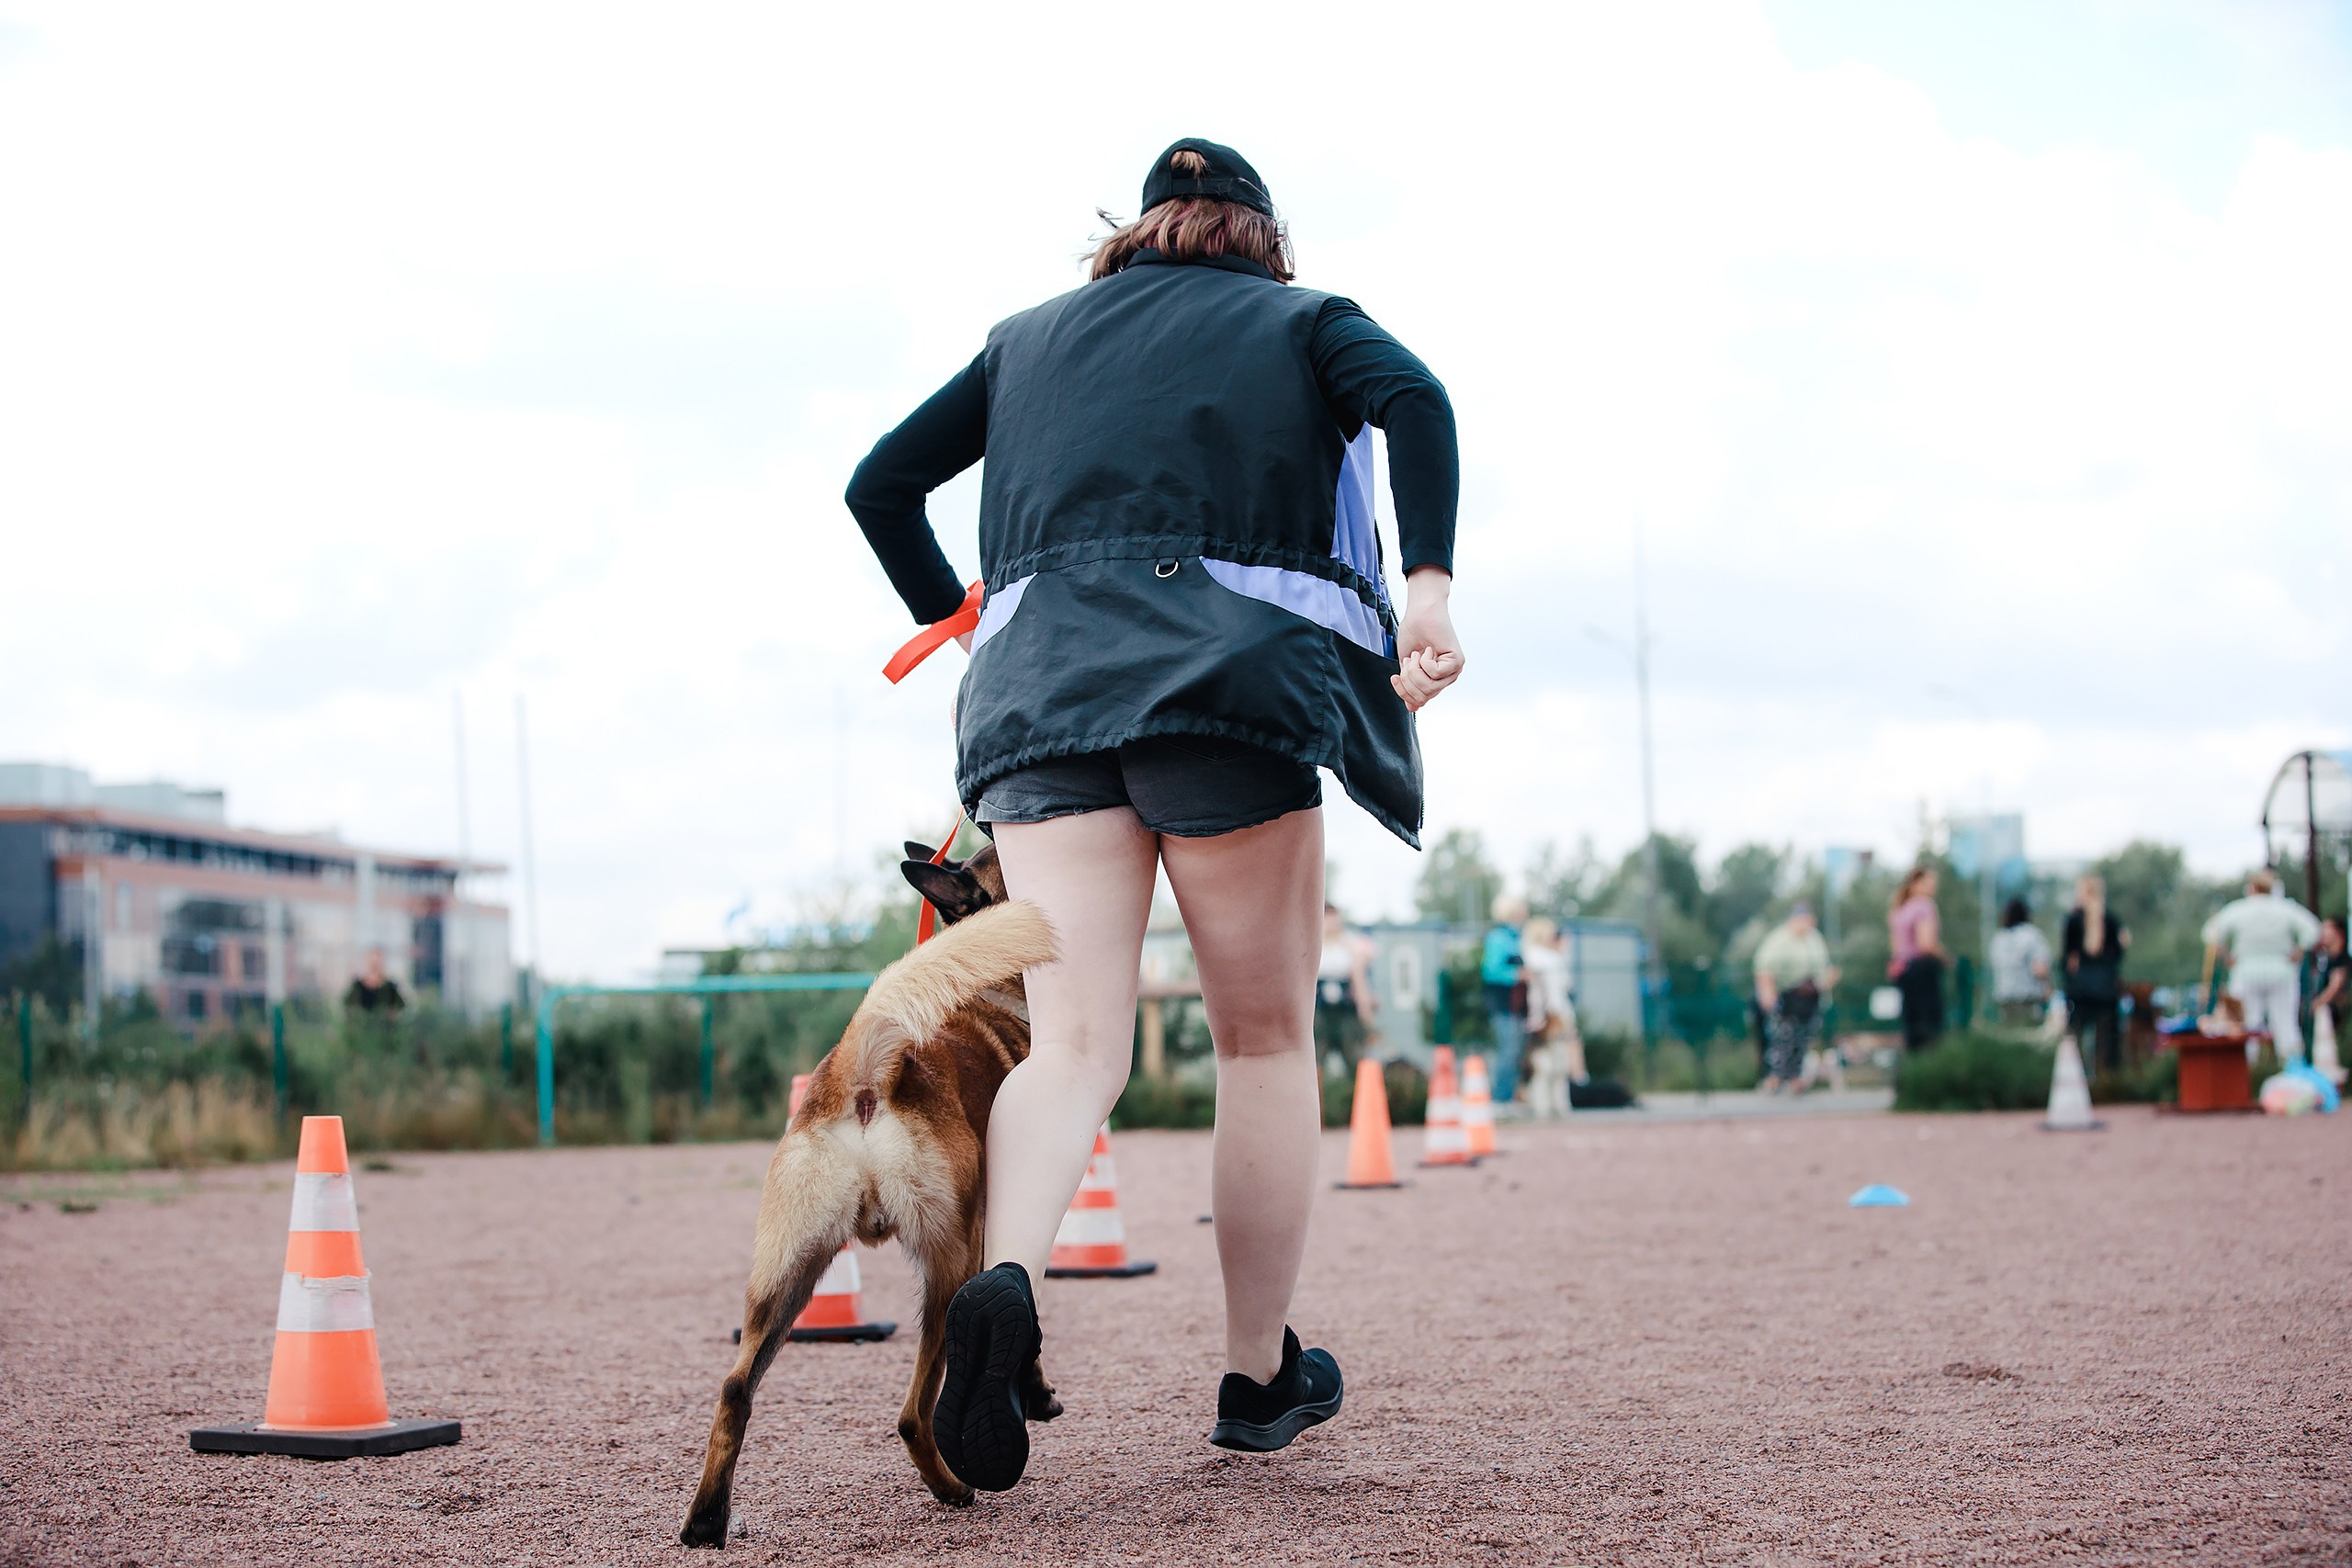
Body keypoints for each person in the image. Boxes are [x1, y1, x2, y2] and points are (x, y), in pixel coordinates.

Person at [842, 138, 1463, 1488]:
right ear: (1261, 237)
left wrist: (965, 629)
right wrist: (1426, 592)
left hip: (1041, 698)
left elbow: (878, 486)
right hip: (1229, 693)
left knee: (1070, 1044)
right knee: (1259, 1038)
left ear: (1136, 230)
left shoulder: (1024, 342)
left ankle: (1006, 1275)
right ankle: (1256, 1376)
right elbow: (1416, 399)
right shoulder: (1308, 323)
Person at [2201, 869, 2321, 1066]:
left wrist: (2226, 956)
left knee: (2246, 1024)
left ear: (2252, 888)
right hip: (2281, 969)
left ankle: (2248, 1073)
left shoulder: (2240, 909)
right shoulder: (2285, 908)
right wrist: (2299, 950)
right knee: (2285, 1024)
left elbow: (2210, 932)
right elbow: (2313, 929)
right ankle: (2293, 1072)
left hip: (2246, 971)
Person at [1754, 903, 1838, 1094]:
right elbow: (1764, 969)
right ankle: (1774, 1078)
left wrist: (1828, 980)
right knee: (1782, 1038)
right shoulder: (1779, 940)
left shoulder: (1815, 939)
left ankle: (1794, 1077)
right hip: (1787, 996)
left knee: (1803, 1038)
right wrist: (1768, 996)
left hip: (1809, 997)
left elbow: (1822, 969)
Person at [2063, 874, 2130, 1073]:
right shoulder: (2111, 920)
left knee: (2077, 1035)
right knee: (2107, 1038)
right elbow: (2117, 955)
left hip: (2081, 989)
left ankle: (2078, 1074)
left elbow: (2068, 959)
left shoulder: (2073, 920)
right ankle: (2106, 1076)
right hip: (2106, 988)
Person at [1520, 917, 1583, 1118]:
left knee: (1548, 1064)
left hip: (1541, 1017)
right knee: (1553, 1064)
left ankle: (1545, 1106)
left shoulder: (1532, 956)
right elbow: (1566, 985)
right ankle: (1554, 1106)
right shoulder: (1548, 958)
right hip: (1553, 1017)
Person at [1314, 904, 1378, 1075]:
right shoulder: (1311, 943)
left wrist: (1365, 1011)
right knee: (1316, 1058)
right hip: (1318, 1009)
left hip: (1345, 1009)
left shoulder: (1350, 944)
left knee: (1354, 1056)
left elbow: (1360, 980)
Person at [1886, 866, 1945, 1051]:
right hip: (1921, 968)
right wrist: (1946, 958)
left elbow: (1896, 947)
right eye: (1929, 882)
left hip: (1903, 969)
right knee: (1930, 1024)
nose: (1933, 887)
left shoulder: (1900, 909)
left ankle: (1913, 1068)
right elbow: (1926, 945)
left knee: (1911, 1023)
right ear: (1916, 884)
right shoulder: (1924, 907)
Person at [1482, 894, 1529, 1104]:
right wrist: (1517, 974)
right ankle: (1500, 1100)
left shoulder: (1519, 938)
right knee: (1507, 1051)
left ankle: (1511, 1097)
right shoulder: (1498, 938)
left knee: (1517, 1052)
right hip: (1503, 1006)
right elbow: (1491, 971)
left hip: (1520, 1007)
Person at [1987, 897, 2052, 1028]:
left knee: (2010, 1035)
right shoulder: (2032, 935)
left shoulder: (1998, 938)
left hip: (2004, 999)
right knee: (2028, 1035)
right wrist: (2049, 989)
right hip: (2028, 999)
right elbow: (2040, 969)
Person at [343, 948, 404, 1016]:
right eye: (372, 961)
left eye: (377, 961)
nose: (375, 964)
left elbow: (400, 1007)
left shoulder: (389, 987)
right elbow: (348, 1006)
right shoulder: (358, 987)